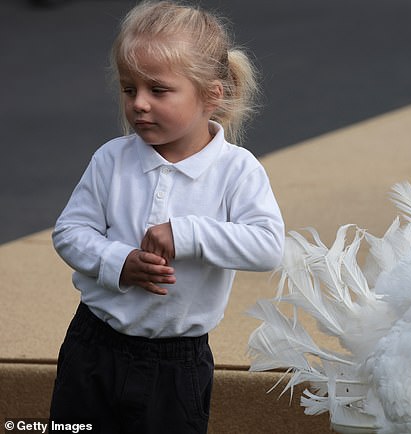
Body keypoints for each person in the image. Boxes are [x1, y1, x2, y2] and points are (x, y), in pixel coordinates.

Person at [49, 1, 284, 433]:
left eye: (158, 90)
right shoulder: (112, 159)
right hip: (93, 347)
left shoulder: (237, 170)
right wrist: (117, 261)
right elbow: (70, 232)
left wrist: (188, 233)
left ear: (212, 93)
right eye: (127, 88)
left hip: (177, 365)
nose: (138, 104)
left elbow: (268, 245)